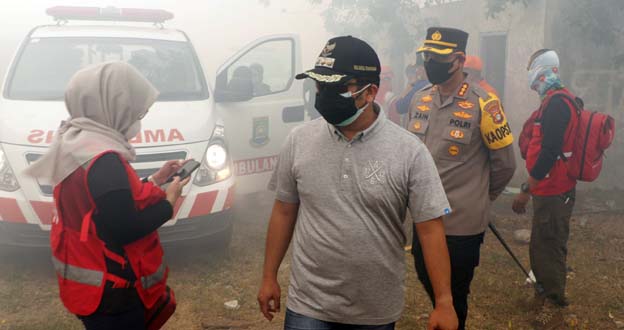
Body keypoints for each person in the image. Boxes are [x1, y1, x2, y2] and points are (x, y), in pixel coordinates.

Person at [257, 35, 458, 330]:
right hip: (308, 306)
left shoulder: (409, 151)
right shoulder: (299, 141)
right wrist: (268, 276)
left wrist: (444, 302)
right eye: (320, 85)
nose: (323, 94)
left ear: (370, 92)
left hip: (374, 311)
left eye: (337, 87)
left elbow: (429, 229)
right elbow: (284, 211)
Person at [25, 62, 190, 330]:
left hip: (93, 283)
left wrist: (156, 180)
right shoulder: (104, 159)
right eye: (135, 109)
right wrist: (169, 202)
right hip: (114, 294)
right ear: (112, 104)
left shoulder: (77, 141)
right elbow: (125, 227)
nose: (138, 116)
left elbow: (107, 200)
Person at [407, 27, 517, 330]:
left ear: (459, 60)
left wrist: (480, 197)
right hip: (423, 217)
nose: (430, 62)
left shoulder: (485, 103)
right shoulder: (420, 99)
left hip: (461, 223)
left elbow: (506, 164)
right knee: (427, 278)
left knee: (454, 295)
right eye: (427, 56)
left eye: (438, 57)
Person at [512, 49, 578, 330]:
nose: (529, 72)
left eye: (530, 66)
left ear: (542, 69)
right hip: (550, 189)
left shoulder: (558, 104)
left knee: (549, 245)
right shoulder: (553, 100)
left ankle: (554, 306)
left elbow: (550, 151)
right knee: (542, 243)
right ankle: (543, 296)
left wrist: (527, 188)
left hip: (554, 189)